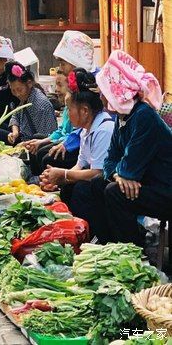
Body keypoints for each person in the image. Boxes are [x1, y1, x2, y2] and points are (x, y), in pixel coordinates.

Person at [66, 50, 172, 245]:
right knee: (96, 184)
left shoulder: (144, 116)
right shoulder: (123, 117)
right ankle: (110, 243)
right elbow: (110, 161)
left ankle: (132, 252)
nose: (102, 99)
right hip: (145, 183)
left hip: (165, 188)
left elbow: (129, 168)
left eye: (104, 92)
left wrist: (121, 174)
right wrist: (118, 175)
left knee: (114, 192)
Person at [40, 69, 114, 201]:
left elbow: (97, 173)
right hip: (96, 179)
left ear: (85, 110)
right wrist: (58, 181)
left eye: (69, 108)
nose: (67, 114)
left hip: (108, 184)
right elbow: (80, 165)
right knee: (67, 188)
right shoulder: (86, 130)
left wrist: (64, 174)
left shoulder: (104, 129)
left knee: (80, 189)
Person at [23, 72, 80, 176]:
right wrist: (42, 141)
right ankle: (36, 177)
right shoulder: (68, 107)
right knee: (36, 140)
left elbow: (74, 134)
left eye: (60, 85)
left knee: (43, 154)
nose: (56, 90)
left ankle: (45, 180)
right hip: (65, 139)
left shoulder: (76, 109)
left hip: (73, 145)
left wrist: (61, 143)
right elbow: (61, 130)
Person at [6, 61, 57, 145]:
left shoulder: (41, 105)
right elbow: (15, 116)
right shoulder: (25, 97)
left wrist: (25, 144)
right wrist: (15, 132)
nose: (17, 94)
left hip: (36, 143)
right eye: (13, 91)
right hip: (23, 136)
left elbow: (45, 136)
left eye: (19, 90)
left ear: (29, 83)